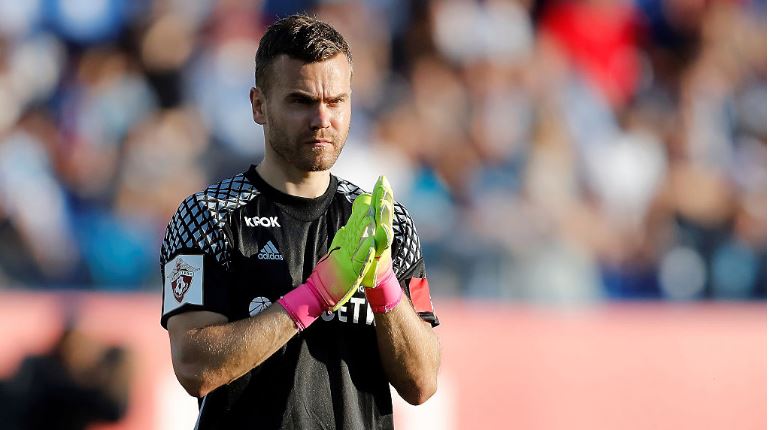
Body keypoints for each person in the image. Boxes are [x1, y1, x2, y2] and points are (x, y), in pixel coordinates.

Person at [159, 14, 440, 429]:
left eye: (336, 102)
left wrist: (383, 283)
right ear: (259, 105)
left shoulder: (385, 223)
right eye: (301, 101)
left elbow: (422, 383)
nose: (322, 119)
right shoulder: (207, 216)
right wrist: (315, 296)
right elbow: (194, 367)